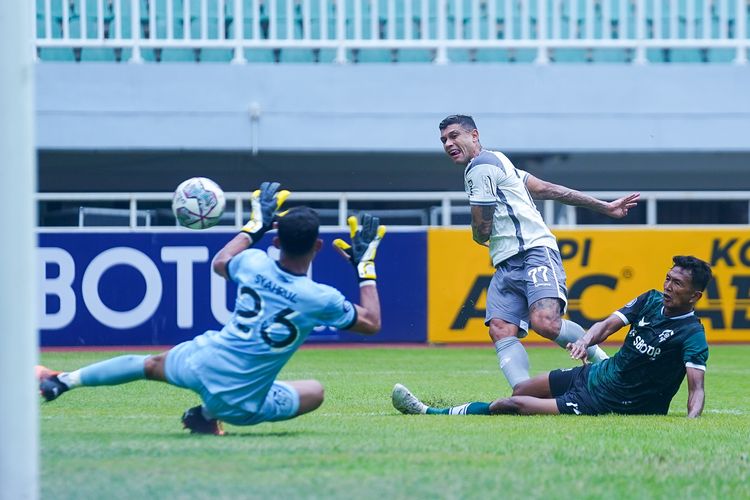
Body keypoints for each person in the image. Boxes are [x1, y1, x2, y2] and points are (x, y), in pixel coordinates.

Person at [37, 182, 387, 435]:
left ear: (277, 242)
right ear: (319, 247)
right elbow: (371, 323)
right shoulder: (319, 298)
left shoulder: (253, 263)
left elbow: (221, 262)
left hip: (202, 360)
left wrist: (254, 227)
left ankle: (63, 381)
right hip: (239, 400)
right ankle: (206, 415)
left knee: (147, 364)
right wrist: (364, 268)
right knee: (315, 391)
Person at [439, 114, 641, 390]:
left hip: (533, 252)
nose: (448, 143)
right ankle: (524, 393)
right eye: (443, 140)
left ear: (474, 135)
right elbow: (549, 189)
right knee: (500, 328)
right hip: (506, 263)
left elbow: (482, 225)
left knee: (545, 322)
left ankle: (608, 369)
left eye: (453, 136)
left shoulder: (480, 167)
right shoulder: (499, 160)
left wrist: (477, 235)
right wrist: (604, 207)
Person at [393, 255, 711, 418]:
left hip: (609, 400)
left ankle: (428, 412)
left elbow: (696, 387)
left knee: (513, 404)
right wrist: (586, 341)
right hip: (597, 374)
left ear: (694, 296)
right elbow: (608, 324)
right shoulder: (651, 299)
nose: (668, 287)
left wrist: (692, 422)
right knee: (522, 387)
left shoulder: (692, 335)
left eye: (677, 285)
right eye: (668, 279)